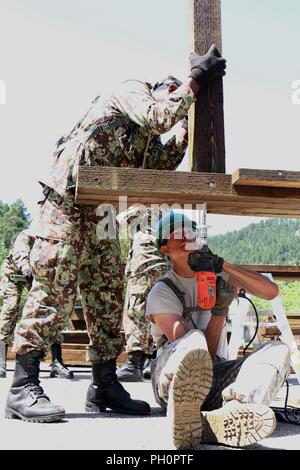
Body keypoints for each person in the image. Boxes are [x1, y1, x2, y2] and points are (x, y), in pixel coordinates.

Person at [5, 45, 227, 423]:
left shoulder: (144, 138)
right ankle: (22, 384)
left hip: (101, 210)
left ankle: (104, 384)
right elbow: (160, 117)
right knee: (54, 286)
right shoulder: (130, 92)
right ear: (160, 90)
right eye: (173, 98)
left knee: (107, 294)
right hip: (66, 201)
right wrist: (194, 81)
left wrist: (191, 114)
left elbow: (163, 160)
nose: (175, 106)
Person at [145, 211, 290, 449]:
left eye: (190, 231)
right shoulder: (162, 292)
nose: (186, 237)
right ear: (165, 250)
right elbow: (198, 358)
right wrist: (219, 313)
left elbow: (270, 292)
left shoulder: (215, 273)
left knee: (278, 351)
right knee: (192, 341)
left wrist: (223, 265)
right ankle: (187, 413)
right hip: (174, 383)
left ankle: (233, 412)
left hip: (217, 374)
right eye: (177, 234)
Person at [0, 229, 73, 379]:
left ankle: (56, 362)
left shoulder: (53, 240)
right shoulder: (27, 235)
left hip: (36, 275)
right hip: (13, 275)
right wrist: (26, 268)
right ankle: (1, 361)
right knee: (10, 308)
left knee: (49, 309)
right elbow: (20, 254)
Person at [116, 206, 168, 382]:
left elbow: (120, 221)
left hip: (144, 266)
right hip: (162, 265)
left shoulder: (141, 209)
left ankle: (134, 364)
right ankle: (155, 361)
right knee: (160, 312)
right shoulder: (166, 216)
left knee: (136, 312)